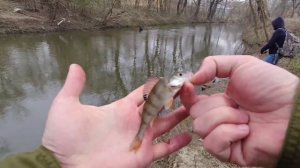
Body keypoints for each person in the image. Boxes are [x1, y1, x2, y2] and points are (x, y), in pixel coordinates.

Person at [1, 55, 300, 167]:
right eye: (180, 75)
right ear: (174, 81)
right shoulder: (167, 89)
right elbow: (158, 97)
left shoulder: (173, 89)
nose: (184, 76)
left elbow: (163, 99)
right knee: (152, 123)